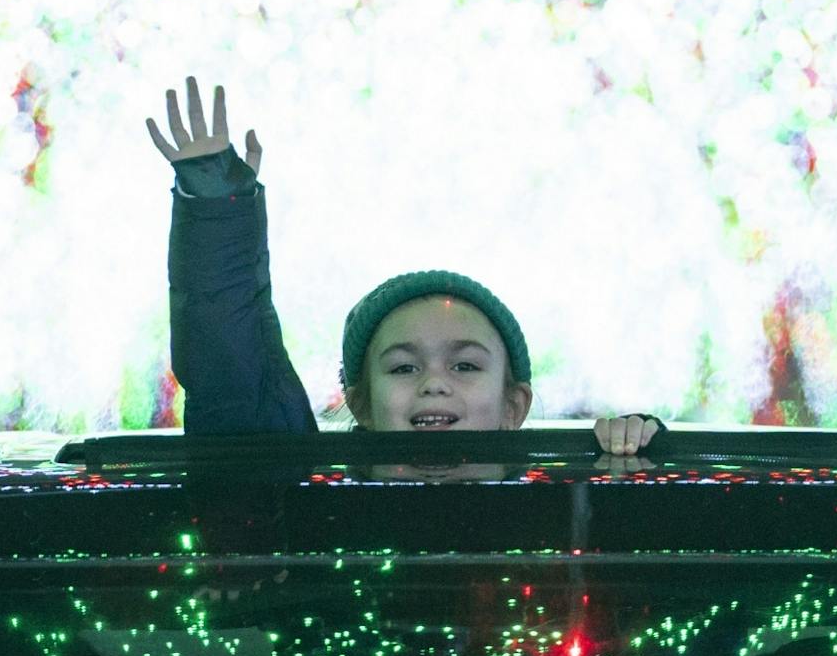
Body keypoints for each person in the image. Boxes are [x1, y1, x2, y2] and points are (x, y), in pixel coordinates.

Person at [147, 76, 661, 457]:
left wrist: (640, 450)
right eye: (402, 367)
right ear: (361, 404)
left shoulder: (563, 509)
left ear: (515, 406)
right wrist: (215, 205)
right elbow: (233, 367)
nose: (433, 384)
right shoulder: (307, 498)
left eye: (464, 365)